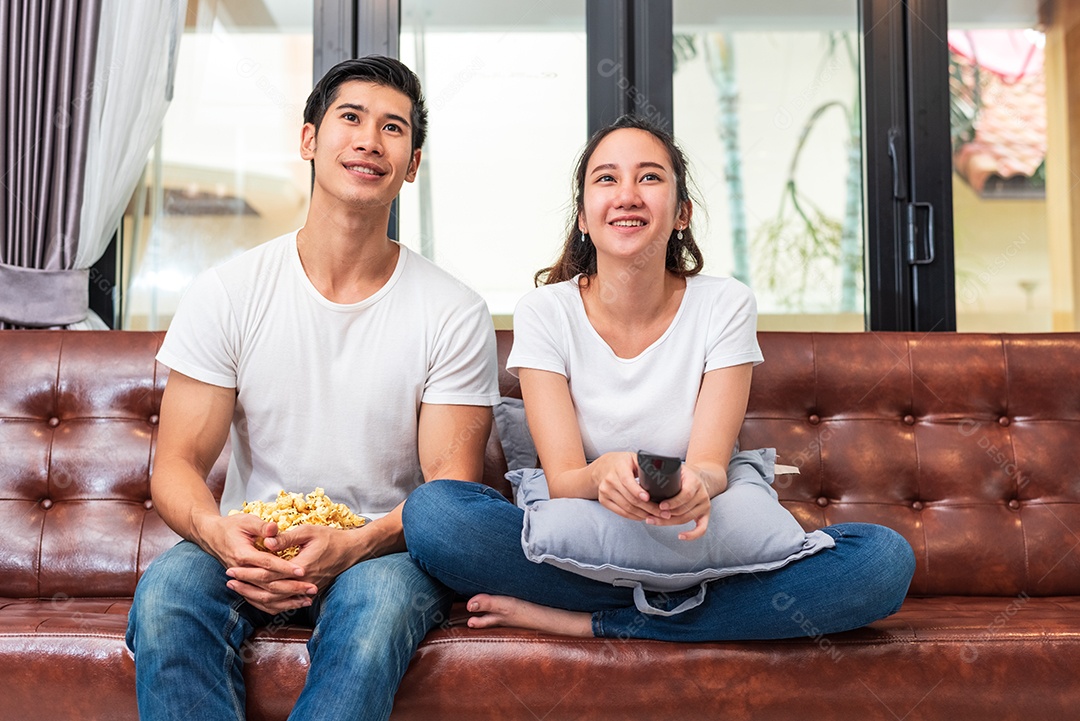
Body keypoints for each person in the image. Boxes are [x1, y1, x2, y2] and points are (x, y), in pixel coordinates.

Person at [401, 114, 915, 642]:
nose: (627, 195)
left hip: (698, 546)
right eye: (607, 178)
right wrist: (602, 474)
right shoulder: (545, 312)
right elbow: (565, 480)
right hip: (589, 549)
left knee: (883, 560)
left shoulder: (725, 304)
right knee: (434, 514)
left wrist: (697, 487)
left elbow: (710, 466)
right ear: (583, 216)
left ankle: (598, 621)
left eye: (649, 177)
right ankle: (692, 614)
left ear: (681, 213)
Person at [125, 56, 499, 720]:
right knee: (168, 598)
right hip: (254, 541)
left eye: (393, 128)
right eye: (350, 118)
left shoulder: (453, 311)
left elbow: (449, 489)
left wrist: (354, 544)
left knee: (376, 612)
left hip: (383, 546)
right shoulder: (228, 292)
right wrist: (218, 532)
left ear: (412, 164)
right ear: (309, 140)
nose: (369, 140)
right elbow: (176, 464)